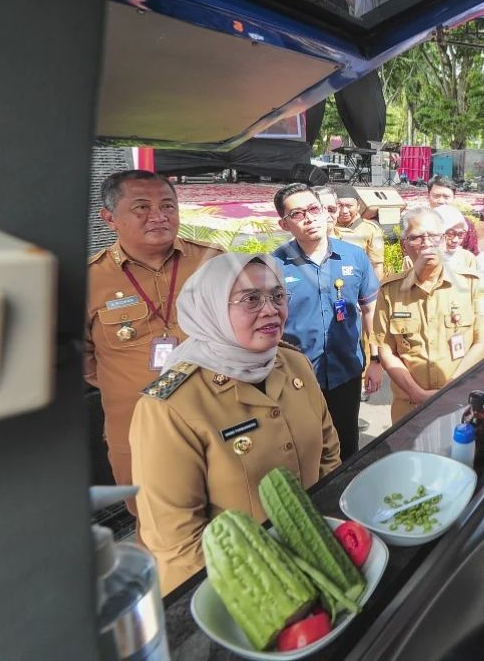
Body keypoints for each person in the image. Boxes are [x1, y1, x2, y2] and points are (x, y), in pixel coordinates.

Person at [130, 253, 341, 593]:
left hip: (321, 557)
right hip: (241, 590)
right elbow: (176, 541)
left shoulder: (294, 363)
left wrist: (329, 541)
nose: (271, 309)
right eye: (251, 299)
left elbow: (329, 454)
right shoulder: (169, 406)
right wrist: (267, 596)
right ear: (211, 310)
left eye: (277, 295)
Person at [85, 170, 222, 503]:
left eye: (168, 206)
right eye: (141, 207)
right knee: (153, 524)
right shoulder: (90, 280)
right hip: (135, 431)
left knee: (229, 512)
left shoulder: (211, 260)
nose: (159, 216)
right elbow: (83, 360)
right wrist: (130, 384)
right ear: (110, 218)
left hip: (216, 420)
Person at [271, 183, 381, 455]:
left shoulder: (354, 257)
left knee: (347, 446)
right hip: (296, 378)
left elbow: (370, 310)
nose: (309, 218)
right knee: (304, 449)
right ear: (284, 224)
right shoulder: (273, 265)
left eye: (314, 209)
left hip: (346, 372)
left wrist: (376, 359)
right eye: (297, 214)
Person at [374, 207, 484, 421]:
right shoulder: (389, 291)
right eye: (417, 237)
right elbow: (386, 351)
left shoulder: (471, 284)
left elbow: (483, 343)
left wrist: (451, 387)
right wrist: (416, 393)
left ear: (444, 240)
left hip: (460, 404)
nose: (427, 243)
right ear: (405, 245)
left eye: (434, 236)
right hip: (409, 407)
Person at [334, 183, 386, 278]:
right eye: (340, 206)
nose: (344, 211)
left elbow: (377, 266)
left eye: (349, 206)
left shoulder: (371, 230)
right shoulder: (327, 228)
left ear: (358, 206)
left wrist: (377, 291)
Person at [427, 174, 478, 253]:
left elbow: (472, 252)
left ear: (454, 198)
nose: (441, 201)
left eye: (446, 197)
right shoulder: (419, 222)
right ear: (428, 196)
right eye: (436, 196)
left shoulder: (466, 225)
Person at [434, 204, 478, 273]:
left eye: (461, 234)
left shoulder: (467, 258)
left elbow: (475, 282)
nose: (455, 240)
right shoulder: (421, 256)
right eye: (450, 234)